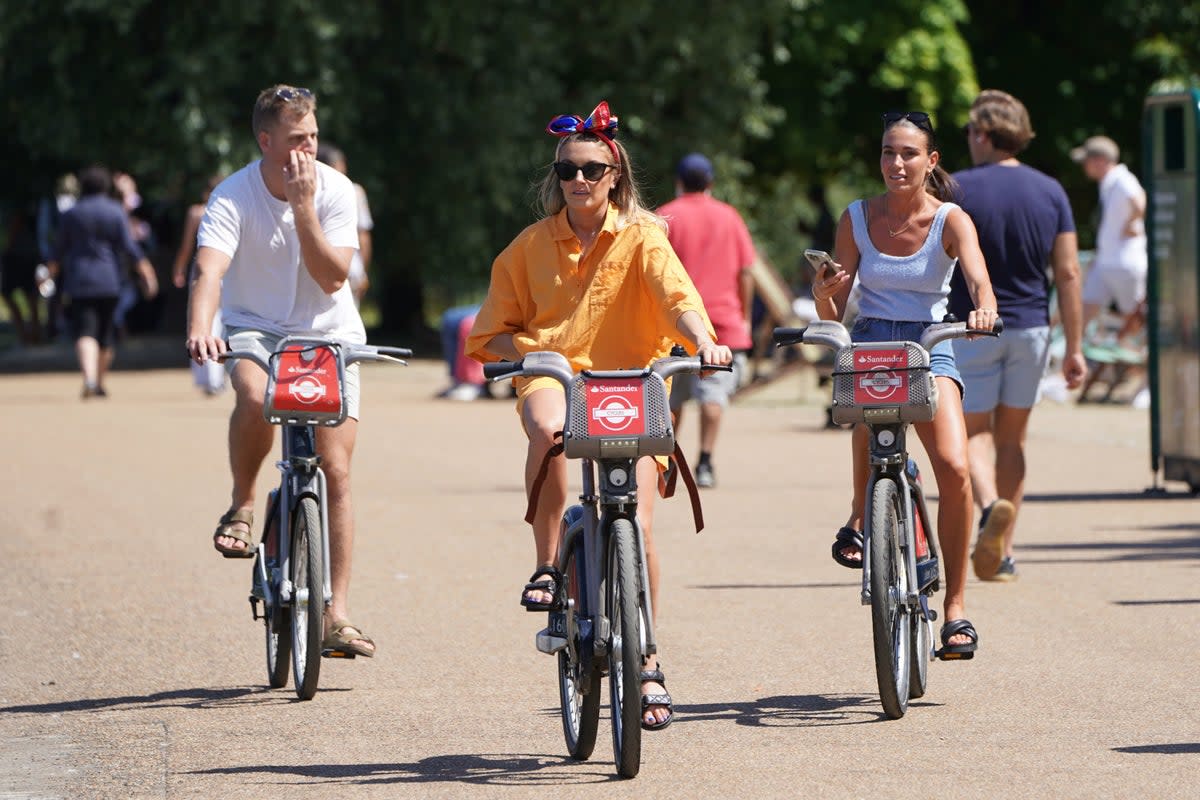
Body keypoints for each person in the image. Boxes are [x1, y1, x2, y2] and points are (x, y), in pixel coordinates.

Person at [465, 101, 732, 729]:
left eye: (590, 170)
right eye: (566, 171)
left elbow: (678, 298)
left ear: (614, 175)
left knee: (636, 525)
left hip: (629, 383)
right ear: (555, 177)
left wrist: (704, 341)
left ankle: (647, 658)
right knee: (549, 429)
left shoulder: (644, 236)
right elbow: (490, 338)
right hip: (557, 378)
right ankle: (547, 564)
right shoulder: (526, 248)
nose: (578, 181)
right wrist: (533, 352)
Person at [185, 85, 376, 659]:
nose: (308, 148)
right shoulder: (233, 195)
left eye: (313, 136)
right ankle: (243, 504)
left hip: (329, 332)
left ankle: (335, 615)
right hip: (257, 327)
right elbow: (209, 272)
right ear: (265, 140)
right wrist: (202, 327)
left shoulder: (335, 190)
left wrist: (303, 206)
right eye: (296, 139)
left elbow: (332, 278)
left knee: (336, 471)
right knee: (254, 392)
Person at [812, 110, 999, 659]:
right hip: (871, 341)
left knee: (956, 466)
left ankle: (957, 608)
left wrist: (984, 310)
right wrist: (823, 288)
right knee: (863, 414)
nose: (897, 163)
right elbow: (834, 309)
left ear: (930, 161)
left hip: (931, 343)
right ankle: (859, 516)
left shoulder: (951, 220)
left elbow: (979, 279)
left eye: (909, 154)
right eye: (889, 152)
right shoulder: (856, 217)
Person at [948, 90, 1088, 582]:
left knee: (973, 433)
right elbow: (1068, 273)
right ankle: (1003, 551)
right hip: (1031, 330)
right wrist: (1074, 347)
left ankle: (988, 509)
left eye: (968, 132)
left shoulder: (955, 187)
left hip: (971, 327)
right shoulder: (1051, 191)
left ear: (983, 134)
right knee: (1013, 438)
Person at [657, 152, 755, 488]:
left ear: (679, 181)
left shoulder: (665, 216)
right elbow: (746, 273)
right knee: (713, 395)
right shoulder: (730, 216)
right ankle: (705, 462)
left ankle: (667, 460)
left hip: (675, 324)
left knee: (673, 396)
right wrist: (743, 317)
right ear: (711, 182)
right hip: (723, 323)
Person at [43, 165, 158, 398]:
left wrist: (48, 275)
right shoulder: (115, 212)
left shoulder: (71, 214)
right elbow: (130, 248)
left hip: (79, 281)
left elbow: (58, 251)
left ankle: (90, 379)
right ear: (106, 186)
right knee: (106, 335)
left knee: (85, 331)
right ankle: (99, 381)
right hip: (109, 281)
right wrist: (147, 273)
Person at [1070, 135, 1148, 340]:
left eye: (1087, 161)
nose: (1084, 167)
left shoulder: (1122, 179)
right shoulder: (1108, 183)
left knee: (1133, 318)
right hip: (1108, 262)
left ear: (1100, 160)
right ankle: (1072, 355)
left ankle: (1134, 364)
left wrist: (1133, 223)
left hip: (1124, 263)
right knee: (1086, 307)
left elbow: (1140, 201)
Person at [172, 175, 226, 396]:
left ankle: (206, 376)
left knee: (201, 321)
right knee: (221, 321)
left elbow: (187, 245)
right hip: (227, 268)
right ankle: (217, 377)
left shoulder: (196, 212)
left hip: (203, 269)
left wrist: (179, 268)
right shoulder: (229, 209)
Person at [316, 144, 373, 307]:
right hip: (350, 267)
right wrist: (363, 272)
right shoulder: (354, 191)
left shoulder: (306, 192)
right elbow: (363, 235)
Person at [1, 207, 44, 345]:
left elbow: (16, 221)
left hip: (18, 256)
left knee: (29, 296)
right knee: (27, 296)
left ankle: (30, 336)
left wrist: (7, 246)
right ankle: (27, 335)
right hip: (21, 255)